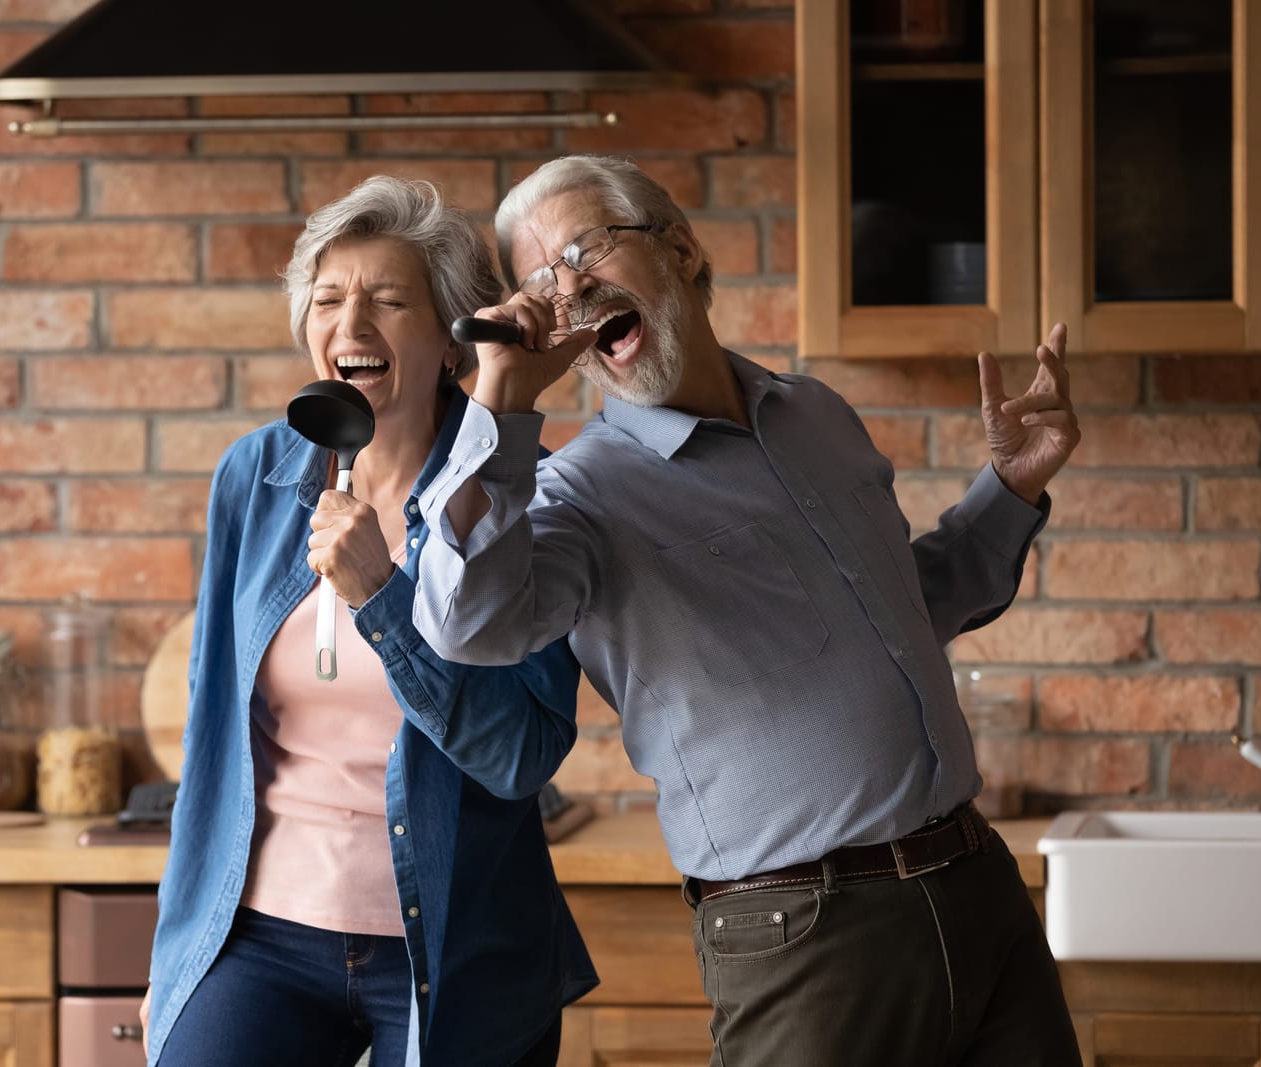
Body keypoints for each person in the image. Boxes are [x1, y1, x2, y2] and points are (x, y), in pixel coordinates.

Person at [411, 154, 1084, 1067]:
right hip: (806, 937)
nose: (568, 288)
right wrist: (500, 400)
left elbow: (906, 612)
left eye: (586, 248)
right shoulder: (575, 493)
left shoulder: (816, 415)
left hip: (977, 887)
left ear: (681, 248)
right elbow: (465, 622)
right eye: (540, 280)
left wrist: (1007, 488)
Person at [142, 175, 596, 1067]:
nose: (351, 328)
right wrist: (181, 942)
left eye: (389, 301)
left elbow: (522, 755)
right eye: (328, 300)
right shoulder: (256, 475)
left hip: (457, 947)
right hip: (259, 934)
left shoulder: (524, 488)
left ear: (449, 336)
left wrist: (381, 597)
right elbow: (213, 718)